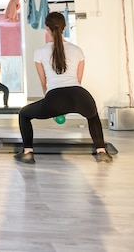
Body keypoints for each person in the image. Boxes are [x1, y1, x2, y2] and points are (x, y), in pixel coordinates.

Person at [15, 12, 113, 164]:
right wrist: (67, 107)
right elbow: (78, 80)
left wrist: (55, 107)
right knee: (92, 116)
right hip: (80, 95)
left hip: (54, 97)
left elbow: (44, 83)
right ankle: (101, 151)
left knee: (24, 114)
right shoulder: (77, 50)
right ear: (65, 27)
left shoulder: (40, 52)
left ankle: (28, 152)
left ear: (46, 28)